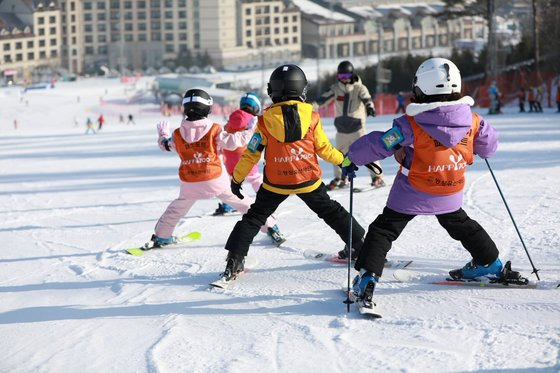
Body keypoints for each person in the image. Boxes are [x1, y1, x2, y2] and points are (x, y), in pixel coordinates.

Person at [343, 57, 510, 308]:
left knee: (384, 230)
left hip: (413, 191)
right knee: (462, 225)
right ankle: (489, 263)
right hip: (449, 189)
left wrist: (353, 155)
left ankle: (367, 276)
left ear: (420, 88)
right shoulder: (473, 121)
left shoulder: (411, 124)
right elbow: (490, 146)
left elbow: (381, 144)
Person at [218, 64, 367, 283]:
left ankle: (235, 259)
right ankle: (359, 246)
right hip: (307, 179)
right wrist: (345, 161)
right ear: (302, 89)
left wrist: (237, 178)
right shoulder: (312, 117)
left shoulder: (265, 120)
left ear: (273, 90)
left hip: (276, 182)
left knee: (254, 218)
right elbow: (324, 149)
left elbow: (251, 153)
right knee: (331, 211)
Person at [147, 89, 283, 249]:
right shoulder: (214, 130)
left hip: (189, 182)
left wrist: (163, 134)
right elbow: (234, 142)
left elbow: (166, 145)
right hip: (215, 180)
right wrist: (250, 130)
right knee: (245, 204)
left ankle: (162, 236)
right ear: (208, 108)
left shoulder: (177, 134)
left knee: (175, 211)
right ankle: (271, 227)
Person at [316, 60, 384, 190]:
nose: (344, 80)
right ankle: (341, 178)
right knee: (338, 155)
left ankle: (377, 177)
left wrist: (370, 107)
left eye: (346, 77)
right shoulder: (336, 89)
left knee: (367, 152)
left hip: (357, 127)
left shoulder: (359, 88)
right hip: (342, 129)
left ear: (352, 75)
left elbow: (367, 99)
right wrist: (308, 108)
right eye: (341, 77)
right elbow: (322, 100)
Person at [213, 92, 265, 216]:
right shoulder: (254, 120)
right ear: (256, 108)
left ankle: (227, 204)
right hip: (245, 154)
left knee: (231, 180)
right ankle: (265, 201)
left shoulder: (232, 118)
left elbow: (224, 133)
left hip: (229, 156)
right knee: (254, 178)